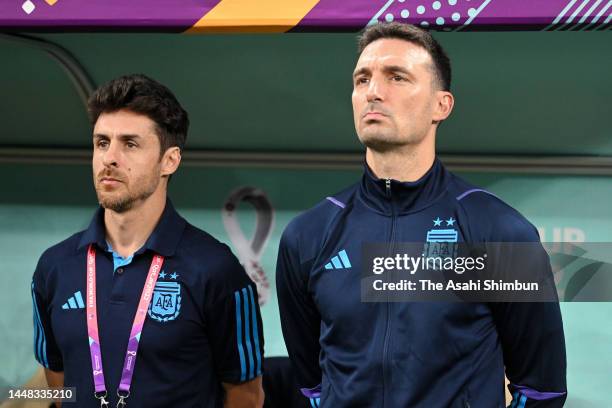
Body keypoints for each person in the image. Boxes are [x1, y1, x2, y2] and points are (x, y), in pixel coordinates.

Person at [276, 23, 567, 407]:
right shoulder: (307, 236)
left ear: (441, 105)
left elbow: (541, 389)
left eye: (397, 77)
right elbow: (312, 385)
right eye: (362, 79)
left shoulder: (498, 231)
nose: (373, 92)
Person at [31, 74, 264, 407]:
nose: (110, 158)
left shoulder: (216, 270)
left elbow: (247, 395)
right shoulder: (54, 267)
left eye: (130, 144)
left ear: (170, 160)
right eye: (101, 142)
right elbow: (57, 384)